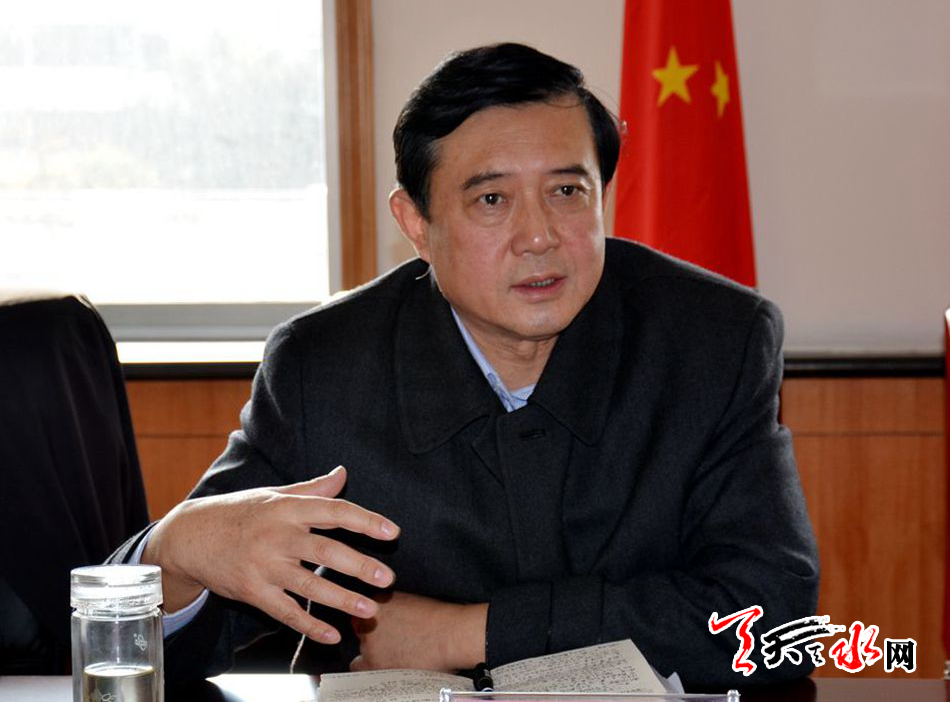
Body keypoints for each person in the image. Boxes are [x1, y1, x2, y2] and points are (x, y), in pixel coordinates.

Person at [110, 43, 819, 689]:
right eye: (491, 200)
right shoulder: (323, 369)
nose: (539, 236)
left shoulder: (713, 342)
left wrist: (464, 632)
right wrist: (173, 552)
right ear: (417, 224)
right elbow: (153, 638)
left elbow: (776, 624)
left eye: (567, 191)